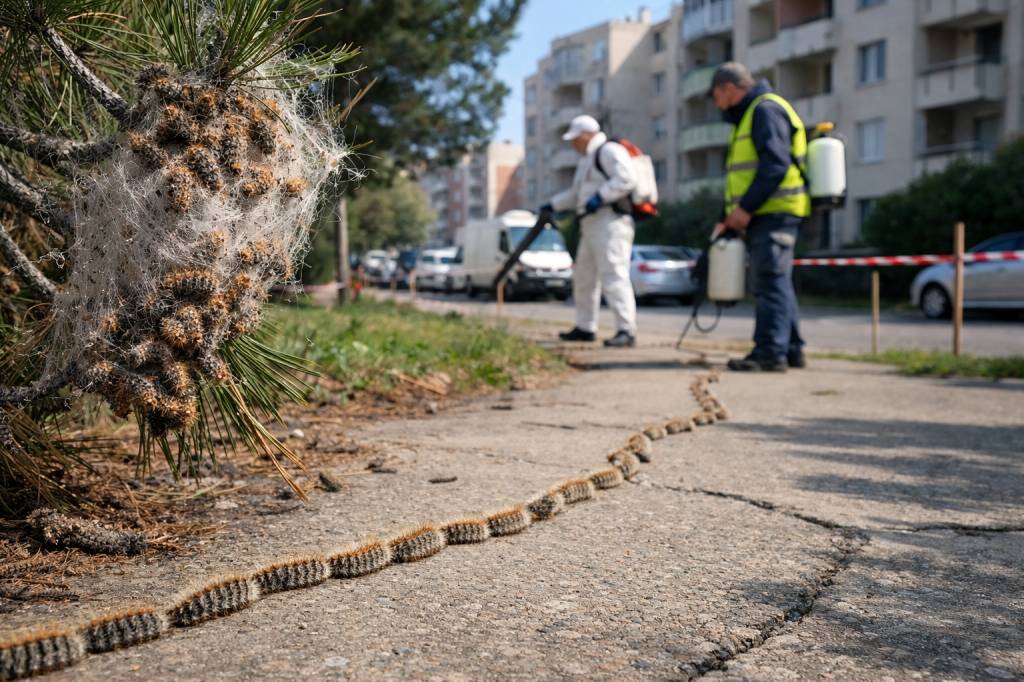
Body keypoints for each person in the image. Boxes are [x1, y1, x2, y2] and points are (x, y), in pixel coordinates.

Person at [709, 62, 808, 372]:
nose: (718, 106)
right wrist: (727, 216)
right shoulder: (754, 114)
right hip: (767, 212)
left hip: (774, 211)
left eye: (717, 97)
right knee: (778, 281)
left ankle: (769, 352)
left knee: (769, 281)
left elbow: (775, 165)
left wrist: (745, 209)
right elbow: (742, 177)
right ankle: (791, 349)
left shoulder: (764, 110)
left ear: (729, 89)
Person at [541, 115, 638, 348]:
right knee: (584, 277)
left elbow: (627, 179)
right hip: (591, 224)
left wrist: (600, 197)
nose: (573, 144)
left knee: (614, 275)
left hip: (610, 223)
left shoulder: (609, 150)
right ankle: (585, 327)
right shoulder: (586, 160)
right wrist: (552, 205)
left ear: (586, 135)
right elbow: (576, 195)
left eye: (575, 139)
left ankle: (626, 329)